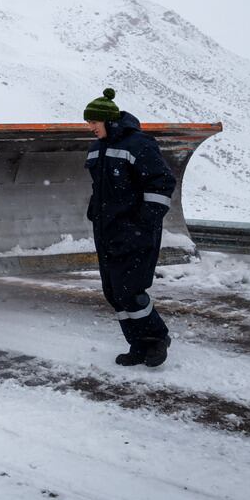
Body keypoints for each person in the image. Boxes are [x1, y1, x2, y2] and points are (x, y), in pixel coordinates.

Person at [84, 88, 176, 367]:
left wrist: (144, 222)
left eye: (93, 123)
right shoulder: (96, 149)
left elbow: (161, 183)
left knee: (131, 291)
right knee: (113, 293)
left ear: (108, 121)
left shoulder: (139, 145)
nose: (90, 128)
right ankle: (138, 344)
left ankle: (157, 338)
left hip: (136, 233)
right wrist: (94, 210)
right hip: (107, 232)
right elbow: (101, 188)